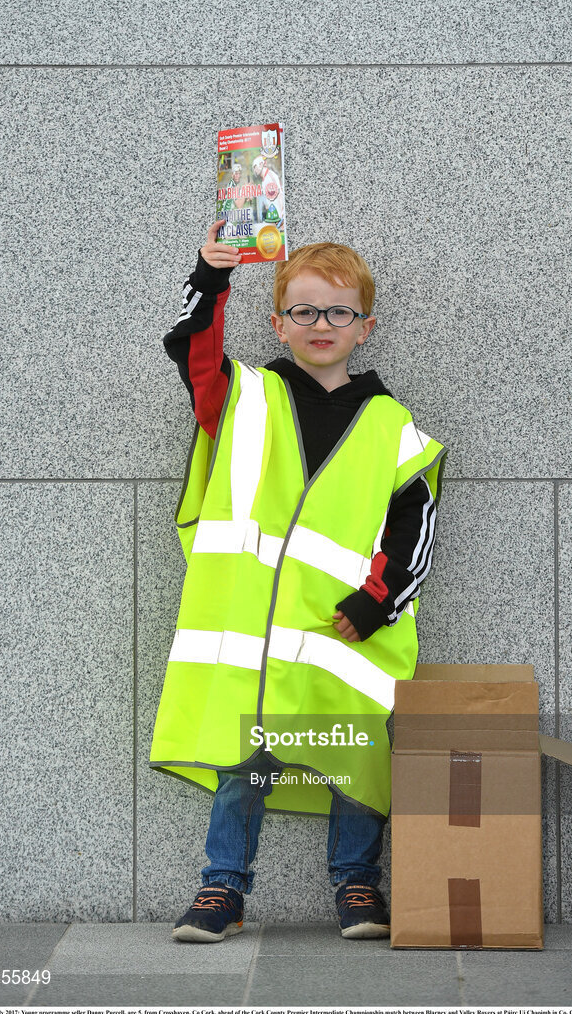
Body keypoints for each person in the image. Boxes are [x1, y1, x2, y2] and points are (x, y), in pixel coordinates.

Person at [150, 221, 447, 943]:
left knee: (353, 760)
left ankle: (357, 887)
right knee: (243, 764)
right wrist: (211, 276)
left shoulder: (393, 426)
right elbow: (193, 351)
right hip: (252, 638)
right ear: (278, 323)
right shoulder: (243, 395)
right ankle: (222, 889)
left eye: (338, 312)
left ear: (365, 328)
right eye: (305, 311)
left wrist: (379, 601)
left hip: (346, 634)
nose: (322, 324)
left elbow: (416, 528)